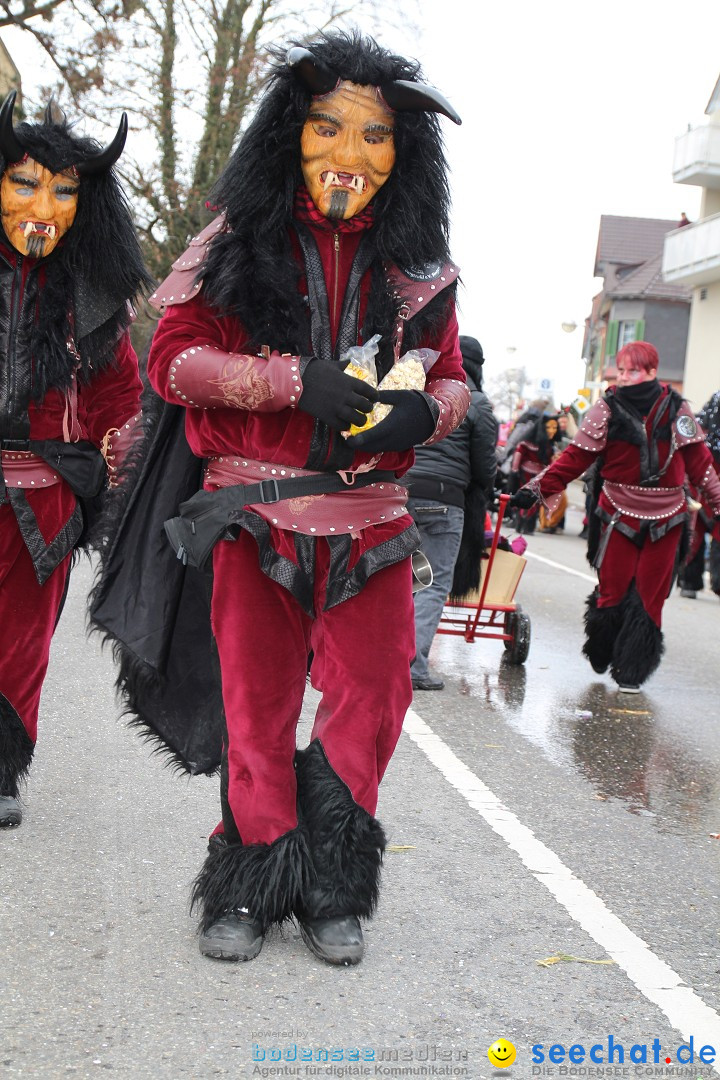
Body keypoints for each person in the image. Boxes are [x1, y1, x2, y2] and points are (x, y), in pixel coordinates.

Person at [94, 31, 468, 966]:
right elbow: (175, 362)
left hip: (374, 525)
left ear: (404, 152)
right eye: (330, 128)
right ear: (291, 134)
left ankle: (334, 882)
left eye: (376, 136)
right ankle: (251, 877)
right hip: (252, 516)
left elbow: (456, 382)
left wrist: (420, 412)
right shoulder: (231, 241)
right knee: (255, 705)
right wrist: (292, 381)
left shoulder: (422, 267)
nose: (351, 155)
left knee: (372, 700)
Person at [0, 94, 149, 828]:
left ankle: (0, 767)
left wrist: (126, 473)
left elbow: (121, 400)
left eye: (64, 189)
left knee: (22, 643)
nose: (45, 203)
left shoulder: (92, 305)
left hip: (44, 502)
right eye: (25, 182)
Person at [510, 342, 720, 693]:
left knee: (651, 596)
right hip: (616, 514)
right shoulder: (605, 407)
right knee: (613, 590)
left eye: (631, 370)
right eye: (620, 370)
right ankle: (602, 644)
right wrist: (536, 488)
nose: (623, 376)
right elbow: (576, 457)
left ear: (652, 372)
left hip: (667, 517)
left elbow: (700, 464)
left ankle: (633, 669)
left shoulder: (677, 409)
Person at [404, 335, 498, 690]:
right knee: (432, 584)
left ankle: (384, 659)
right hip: (446, 501)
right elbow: (485, 468)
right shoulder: (477, 404)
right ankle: (413, 667)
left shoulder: (418, 390)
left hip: (402, 494)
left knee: (398, 580)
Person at [679, 389, 720, 598]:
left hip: (705, 480)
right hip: (702, 480)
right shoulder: (700, 431)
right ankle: (689, 580)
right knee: (694, 531)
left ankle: (693, 581)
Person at [509, 413, 563, 534]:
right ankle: (520, 523)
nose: (552, 431)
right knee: (525, 498)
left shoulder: (551, 446)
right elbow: (519, 453)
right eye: (549, 427)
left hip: (541, 476)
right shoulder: (528, 442)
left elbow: (550, 461)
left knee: (536, 501)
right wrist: (515, 471)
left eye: (555, 428)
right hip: (525, 474)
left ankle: (528, 526)